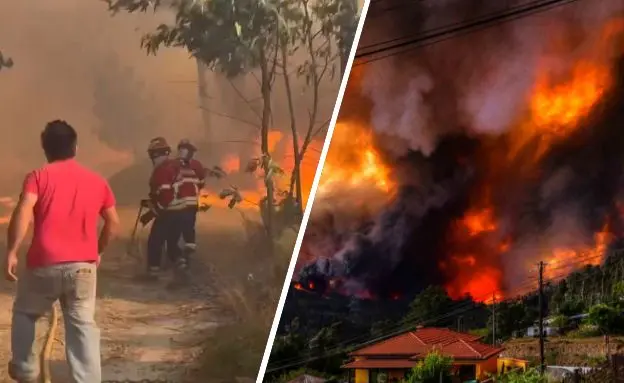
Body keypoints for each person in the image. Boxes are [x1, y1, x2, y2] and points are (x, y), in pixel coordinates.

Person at [4, 120, 119, 383]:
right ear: (75, 148)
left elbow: (23, 212)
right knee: (83, 326)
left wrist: (12, 251)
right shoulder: (97, 181)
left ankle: (25, 370)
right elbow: (113, 223)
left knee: (26, 313)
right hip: (83, 267)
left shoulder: (38, 177)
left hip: (43, 264)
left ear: (45, 149)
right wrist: (96, 251)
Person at [142, 137, 184, 279]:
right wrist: (151, 202)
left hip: (168, 212)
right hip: (181, 212)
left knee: (155, 242)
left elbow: (166, 196)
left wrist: (154, 211)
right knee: (172, 244)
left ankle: (153, 274)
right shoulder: (175, 166)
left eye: (152, 155)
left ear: (156, 154)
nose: (152, 158)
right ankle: (183, 270)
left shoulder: (161, 171)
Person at [173, 139, 206, 269]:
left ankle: (185, 256)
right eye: (182, 149)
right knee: (177, 229)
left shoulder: (196, 165)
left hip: (190, 203)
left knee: (188, 228)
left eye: (186, 149)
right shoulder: (173, 165)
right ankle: (179, 256)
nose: (184, 151)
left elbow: (201, 182)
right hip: (177, 203)